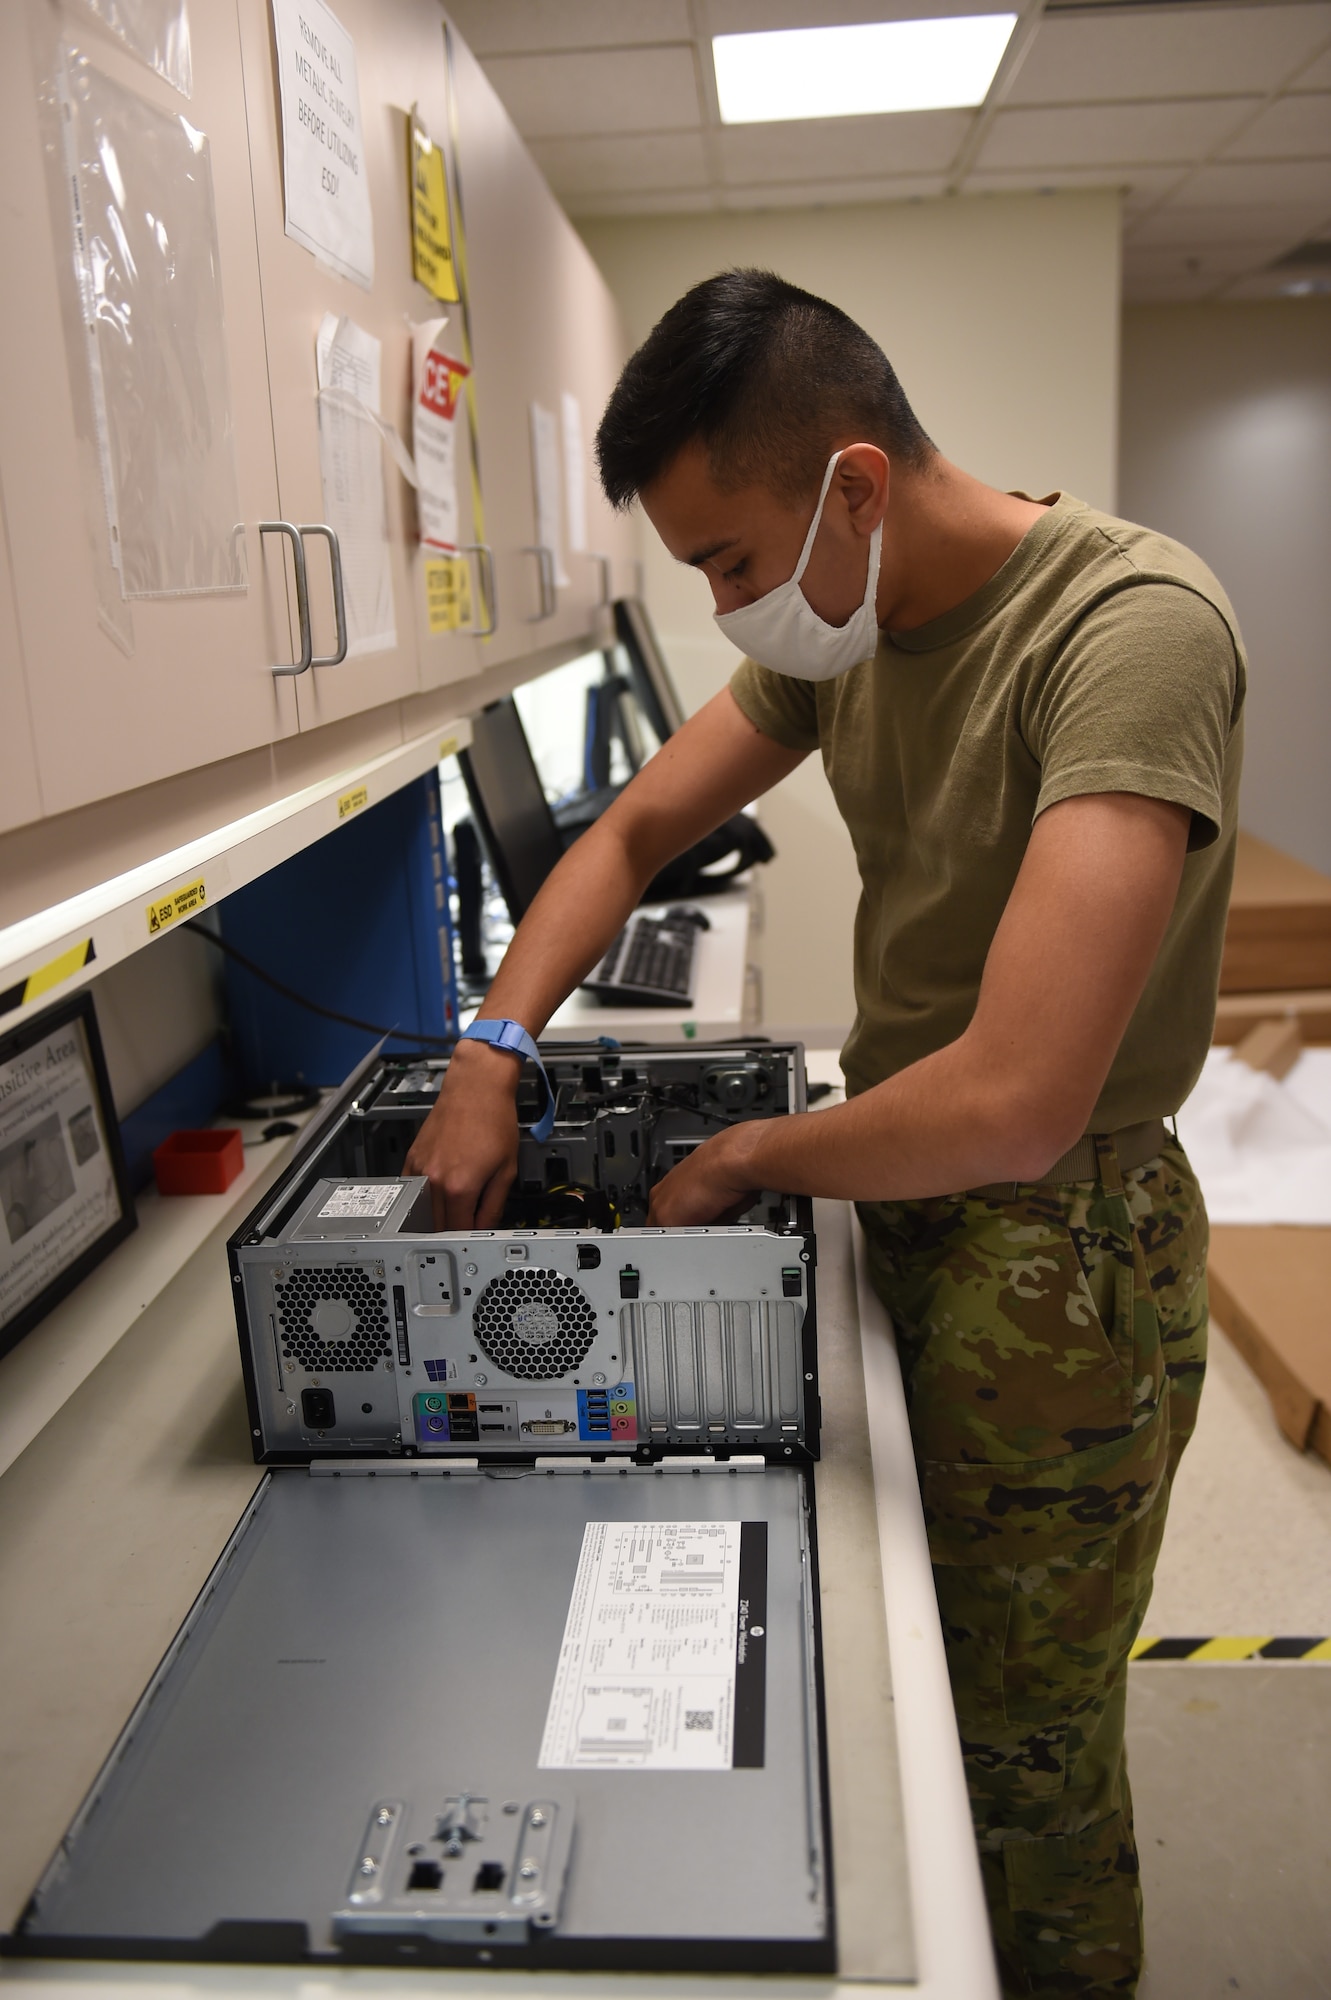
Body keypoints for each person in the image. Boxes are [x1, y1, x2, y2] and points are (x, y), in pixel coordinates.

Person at [405, 269, 1244, 1997]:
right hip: (898, 1184)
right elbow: (634, 828)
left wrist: (744, 1159)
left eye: (729, 562)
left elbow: (1020, 1095)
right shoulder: (849, 630)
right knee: (889, 1684)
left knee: (1021, 1769)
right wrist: (492, 1041)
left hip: (1054, 1256)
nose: (725, 611)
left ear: (854, 487)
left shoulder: (1129, 631)